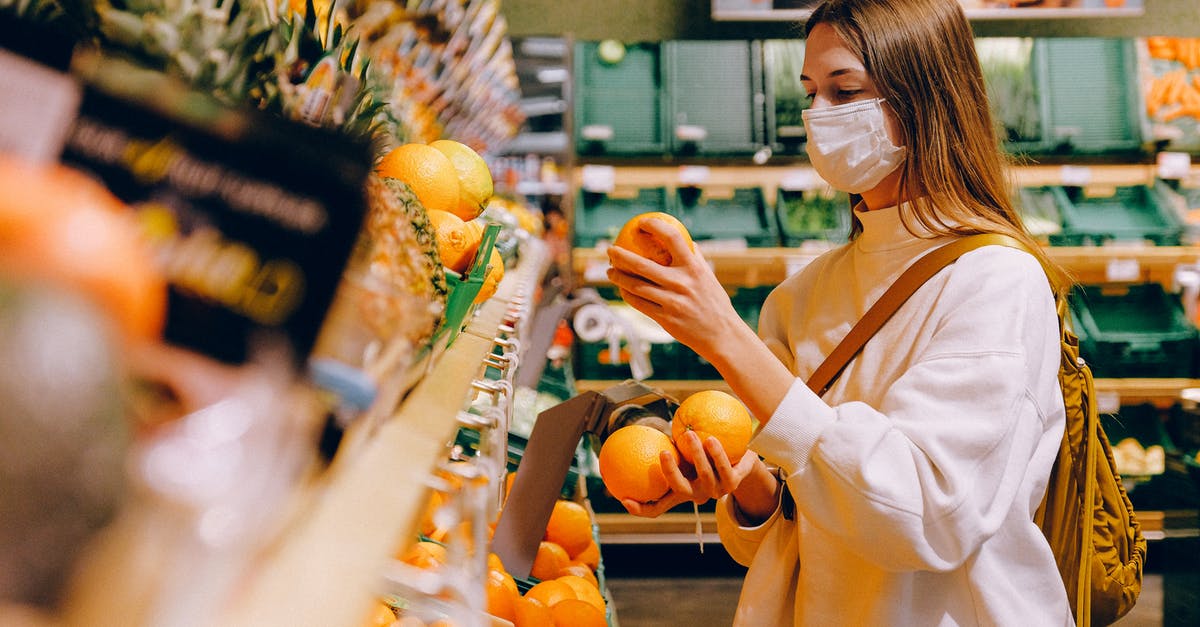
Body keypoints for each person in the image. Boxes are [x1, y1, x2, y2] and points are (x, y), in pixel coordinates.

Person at [604, 0, 1075, 624]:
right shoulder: (806, 294)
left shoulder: (997, 282)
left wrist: (723, 334)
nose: (817, 117)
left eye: (844, 90)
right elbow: (787, 523)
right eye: (810, 92)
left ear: (925, 100)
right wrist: (738, 482)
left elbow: (924, 518)